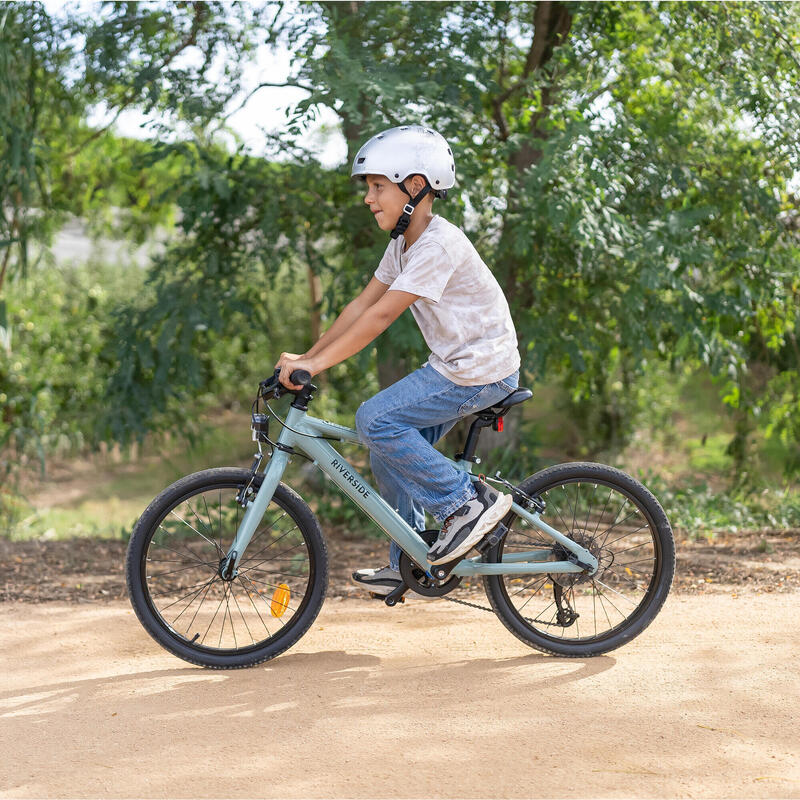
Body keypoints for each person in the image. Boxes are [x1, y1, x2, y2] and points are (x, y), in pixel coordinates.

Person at [275, 124, 521, 597]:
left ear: (415, 186)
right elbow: (361, 307)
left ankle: (463, 506)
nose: (369, 198)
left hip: (480, 371)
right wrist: (307, 357)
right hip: (455, 366)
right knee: (387, 450)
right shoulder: (403, 245)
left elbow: (383, 316)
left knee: (374, 420)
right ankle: (411, 557)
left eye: (377, 186)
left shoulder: (437, 245)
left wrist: (319, 366)